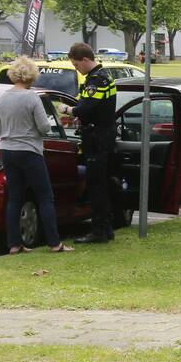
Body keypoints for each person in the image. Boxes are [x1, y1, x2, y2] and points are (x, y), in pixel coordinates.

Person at [0, 56, 72, 254]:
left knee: (15, 198)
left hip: (8, 150)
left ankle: (14, 244)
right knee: (45, 196)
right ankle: (54, 243)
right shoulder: (32, 98)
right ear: (32, 76)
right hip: (29, 151)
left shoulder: (2, 98)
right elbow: (44, 128)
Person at [64, 42, 117, 243]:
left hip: (97, 138)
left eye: (77, 65)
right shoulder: (102, 77)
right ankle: (106, 228)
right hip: (101, 135)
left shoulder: (97, 80)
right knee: (100, 184)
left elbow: (84, 108)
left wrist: (66, 110)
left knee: (96, 186)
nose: (77, 69)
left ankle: (99, 231)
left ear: (85, 60)